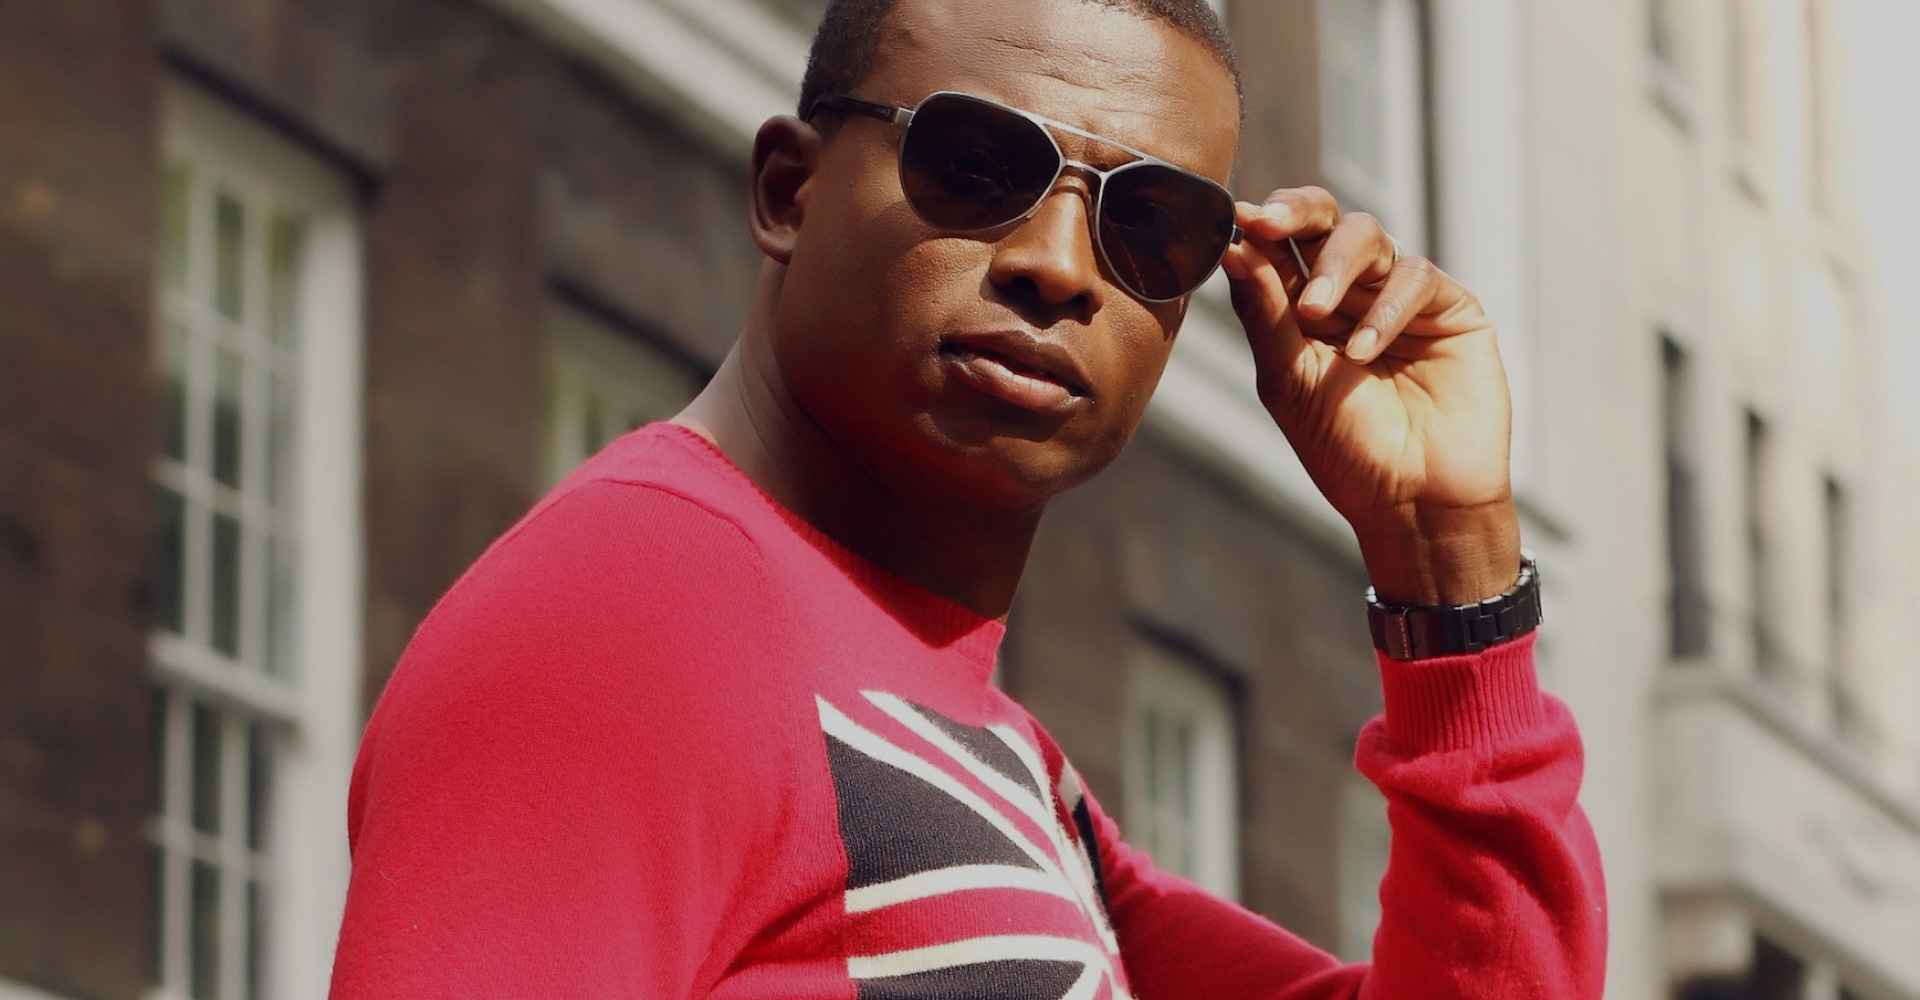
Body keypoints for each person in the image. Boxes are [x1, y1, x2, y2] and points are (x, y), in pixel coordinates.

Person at [328, 0, 1606, 996]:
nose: (1058, 266)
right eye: (978, 164)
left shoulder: (1009, 773)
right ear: (788, 190)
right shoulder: (636, 610)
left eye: (1151, 226)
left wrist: (1447, 550)